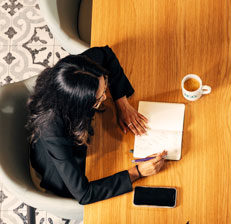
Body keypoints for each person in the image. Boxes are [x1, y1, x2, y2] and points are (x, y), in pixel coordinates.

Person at [27, 45, 167, 204]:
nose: (105, 98)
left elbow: (105, 54)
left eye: (105, 85)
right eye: (99, 99)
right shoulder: (53, 129)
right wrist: (137, 172)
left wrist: (122, 103)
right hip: (60, 162)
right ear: (79, 105)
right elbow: (84, 194)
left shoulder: (81, 70)